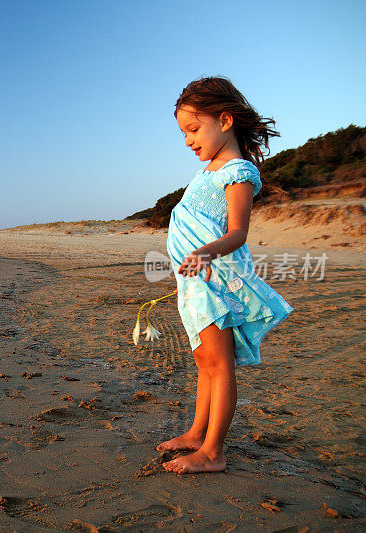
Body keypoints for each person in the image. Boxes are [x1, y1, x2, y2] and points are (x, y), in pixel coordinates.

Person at [160, 76, 294, 474]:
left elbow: (237, 232)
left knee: (219, 364)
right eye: (184, 133)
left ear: (225, 119)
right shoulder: (210, 170)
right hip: (194, 280)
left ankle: (214, 451)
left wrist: (202, 252)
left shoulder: (237, 172)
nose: (188, 141)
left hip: (215, 278)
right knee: (203, 358)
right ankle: (197, 433)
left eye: (194, 129)